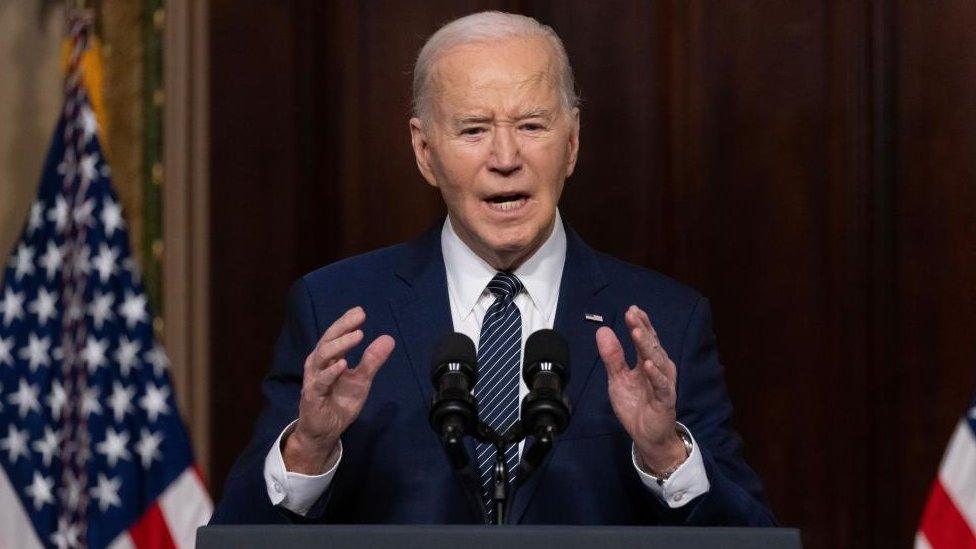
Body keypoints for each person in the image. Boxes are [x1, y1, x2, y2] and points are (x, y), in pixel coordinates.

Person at [211, 11, 774, 525]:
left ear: (572, 142)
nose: (506, 159)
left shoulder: (667, 321)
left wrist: (667, 457)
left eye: (532, 125)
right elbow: (235, 536)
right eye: (473, 129)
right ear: (424, 151)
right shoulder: (334, 308)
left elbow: (753, 539)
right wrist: (308, 451)